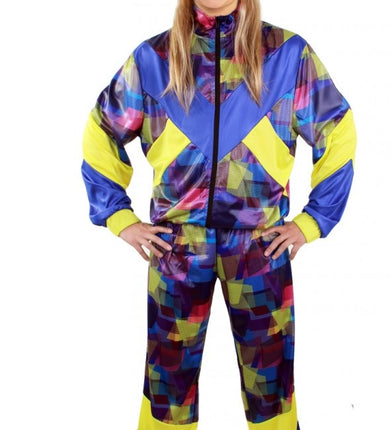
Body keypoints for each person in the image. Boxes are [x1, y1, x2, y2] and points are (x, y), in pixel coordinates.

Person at [81, 0, 357, 428]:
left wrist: (313, 221)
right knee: (167, 384)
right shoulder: (153, 59)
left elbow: (337, 130)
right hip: (176, 248)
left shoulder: (287, 55)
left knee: (271, 383)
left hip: (260, 248)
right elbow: (102, 130)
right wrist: (119, 217)